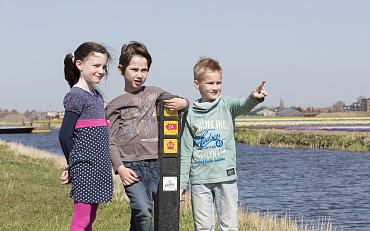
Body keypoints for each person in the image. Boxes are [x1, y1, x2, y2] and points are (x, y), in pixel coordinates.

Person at [106, 41, 188, 231]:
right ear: (121, 69)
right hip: (131, 168)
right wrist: (120, 168)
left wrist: (185, 102)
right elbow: (110, 141)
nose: (139, 75)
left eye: (144, 70)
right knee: (143, 211)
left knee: (142, 215)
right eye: (134, 69)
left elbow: (179, 101)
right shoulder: (115, 105)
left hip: (155, 165)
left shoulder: (155, 93)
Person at [180, 57, 267, 230]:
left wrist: (253, 98)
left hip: (226, 178)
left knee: (228, 226)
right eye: (210, 83)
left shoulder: (226, 105)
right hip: (199, 180)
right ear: (197, 84)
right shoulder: (190, 114)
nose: (215, 87)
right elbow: (186, 150)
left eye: (219, 82)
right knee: (203, 227)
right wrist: (182, 184)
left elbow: (243, 105)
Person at [58, 42, 113, 231]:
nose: (101, 71)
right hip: (85, 167)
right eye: (96, 66)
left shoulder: (96, 95)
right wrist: (73, 165)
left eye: (104, 66)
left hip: (99, 166)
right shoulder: (76, 96)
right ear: (80, 64)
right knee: (81, 220)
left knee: (90, 218)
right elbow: (65, 135)